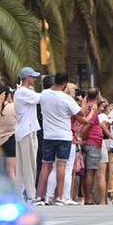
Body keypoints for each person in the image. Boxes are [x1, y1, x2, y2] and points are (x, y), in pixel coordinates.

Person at [35, 72, 80, 205]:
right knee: (61, 166)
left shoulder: (44, 94)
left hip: (48, 135)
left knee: (46, 165)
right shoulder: (66, 98)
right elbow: (80, 113)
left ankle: (39, 197)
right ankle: (59, 197)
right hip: (64, 136)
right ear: (65, 83)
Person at [13, 67, 42, 201]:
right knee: (30, 165)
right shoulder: (24, 92)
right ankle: (31, 195)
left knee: (22, 166)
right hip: (27, 131)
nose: (34, 79)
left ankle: (20, 194)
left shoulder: (21, 92)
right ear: (26, 78)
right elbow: (40, 98)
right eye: (32, 77)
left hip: (23, 131)